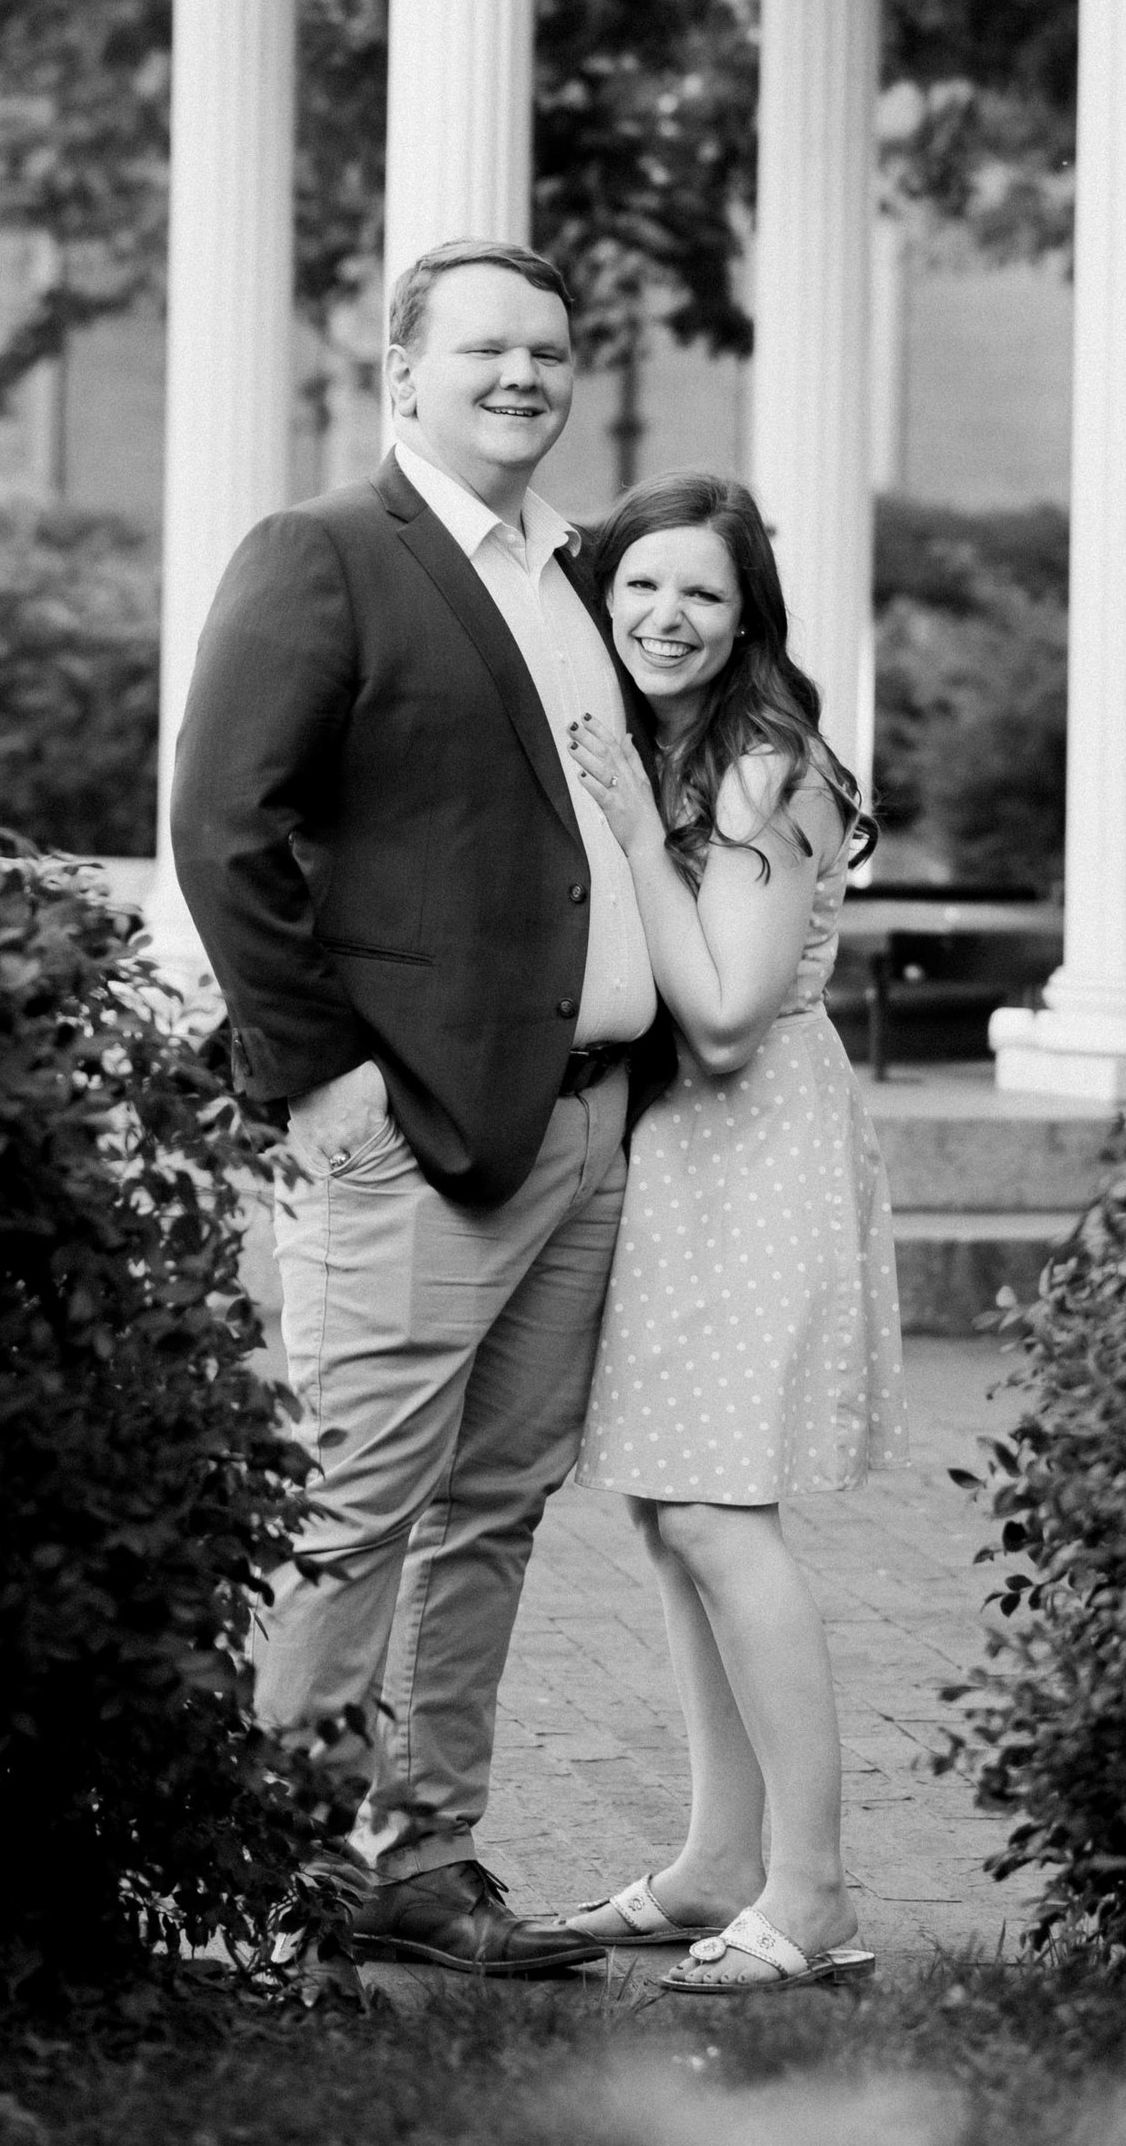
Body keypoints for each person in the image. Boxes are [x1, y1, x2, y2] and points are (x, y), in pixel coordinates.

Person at [167, 239, 673, 1975]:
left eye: (547, 346)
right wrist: (318, 1077)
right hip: (407, 1136)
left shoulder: (570, 570)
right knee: (354, 1511)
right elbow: (223, 825)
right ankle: (273, 1884)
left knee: (495, 1511)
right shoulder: (324, 554)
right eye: (485, 349)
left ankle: (420, 1860)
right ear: (401, 371)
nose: (524, 374)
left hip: (588, 1123)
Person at [554, 470, 907, 1995]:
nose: (663, 616)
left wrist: (636, 833)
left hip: (751, 1139)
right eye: (637, 586)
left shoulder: (759, 765)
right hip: (682, 1159)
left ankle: (813, 1887)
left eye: (699, 590)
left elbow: (719, 1019)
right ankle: (714, 1857)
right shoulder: (675, 745)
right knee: (662, 1507)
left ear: (749, 611)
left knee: (719, 1513)